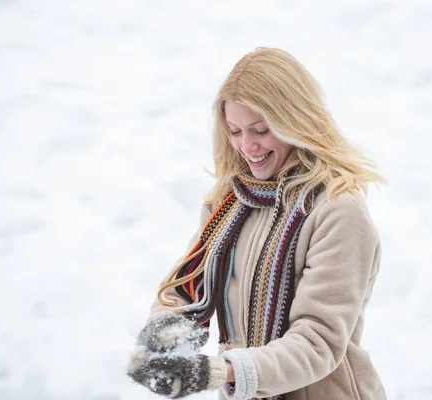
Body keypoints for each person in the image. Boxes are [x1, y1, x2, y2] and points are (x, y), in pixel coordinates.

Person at [127, 47, 387, 400]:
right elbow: (185, 287)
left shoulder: (339, 213)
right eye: (234, 131)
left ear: (296, 122)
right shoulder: (229, 204)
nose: (247, 147)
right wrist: (161, 339)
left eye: (261, 130)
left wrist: (223, 371)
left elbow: (318, 341)